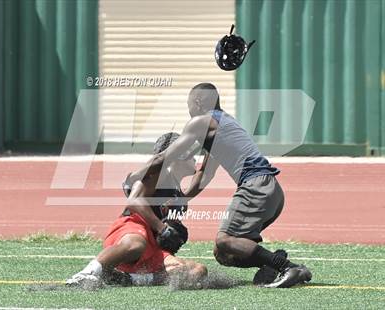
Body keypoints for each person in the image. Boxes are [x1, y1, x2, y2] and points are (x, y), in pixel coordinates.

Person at [126, 83, 312, 288]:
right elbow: (205, 174)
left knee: (226, 240)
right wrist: (183, 198)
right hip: (272, 192)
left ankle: (288, 267)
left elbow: (164, 157)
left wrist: (134, 176)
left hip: (255, 186)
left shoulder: (200, 122)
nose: (188, 110)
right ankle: (271, 264)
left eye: (188, 104)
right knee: (223, 253)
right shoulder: (225, 123)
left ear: (196, 102)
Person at [66, 132, 208, 288]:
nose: (195, 157)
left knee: (197, 270)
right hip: (133, 228)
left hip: (154, 245)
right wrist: (162, 228)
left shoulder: (178, 194)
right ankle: (87, 274)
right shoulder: (157, 175)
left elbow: (203, 176)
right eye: (189, 152)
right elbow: (133, 201)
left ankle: (129, 279)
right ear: (178, 156)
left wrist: (214, 148)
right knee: (137, 244)